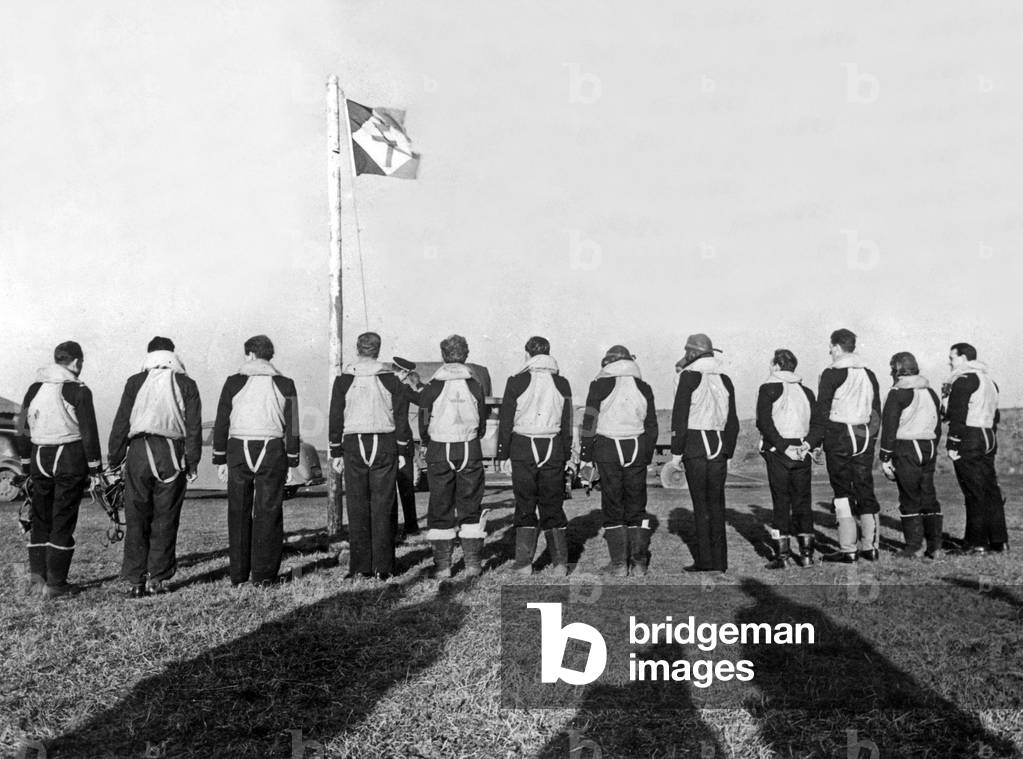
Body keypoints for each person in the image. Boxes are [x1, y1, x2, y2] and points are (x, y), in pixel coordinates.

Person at [108, 337, 202, 597]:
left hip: (138, 452)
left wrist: (114, 459)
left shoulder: (134, 382)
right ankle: (157, 579)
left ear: (149, 355)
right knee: (166, 516)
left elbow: (121, 422)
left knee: (137, 515)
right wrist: (192, 462)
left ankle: (135, 581)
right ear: (172, 354)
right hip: (170, 453)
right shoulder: (187, 383)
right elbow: (193, 427)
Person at [328, 333, 420, 579]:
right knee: (384, 504)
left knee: (357, 506)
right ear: (378, 351)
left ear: (357, 349)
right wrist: (402, 450)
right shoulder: (391, 380)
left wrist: (335, 450)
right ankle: (384, 567)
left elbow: (335, 415)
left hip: (353, 444)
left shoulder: (344, 379)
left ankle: (361, 567)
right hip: (385, 443)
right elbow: (401, 416)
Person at [16, 341, 102, 598]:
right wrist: (95, 468)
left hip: (39, 455)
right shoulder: (78, 390)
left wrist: (24, 463)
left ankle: (37, 582)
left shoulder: (34, 389)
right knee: (63, 518)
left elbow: (21, 426)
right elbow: (89, 432)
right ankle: (56, 584)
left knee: (40, 518)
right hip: (68, 456)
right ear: (76, 362)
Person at [212, 335, 300, 586]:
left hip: (238, 448)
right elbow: (292, 426)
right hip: (272, 450)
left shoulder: (233, 382)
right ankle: (264, 576)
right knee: (269, 512)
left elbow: (222, 421)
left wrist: (219, 458)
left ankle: (238, 576)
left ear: (250, 355)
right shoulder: (286, 383)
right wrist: (292, 460)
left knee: (237, 512)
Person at [496, 336, 574, 576]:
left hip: (523, 445)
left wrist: (503, 452)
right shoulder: (562, 383)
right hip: (553, 446)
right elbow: (567, 421)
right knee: (553, 504)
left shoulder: (515, 381)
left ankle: (524, 564)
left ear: (528, 355)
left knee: (525, 503)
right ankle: (560, 564)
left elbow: (506, 420)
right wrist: (566, 452)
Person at [579, 345, 657, 576]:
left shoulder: (599, 384)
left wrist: (585, 456)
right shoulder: (644, 387)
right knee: (637, 505)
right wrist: (646, 454)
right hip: (636, 446)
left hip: (608, 447)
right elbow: (651, 425)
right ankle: (640, 563)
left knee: (613, 505)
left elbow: (590, 421)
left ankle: (619, 564)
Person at [418, 335, 489, 578]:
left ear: (443, 355)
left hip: (439, 447)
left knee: (440, 504)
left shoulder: (433, 385)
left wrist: (426, 440)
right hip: (469, 447)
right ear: (466, 355)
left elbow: (423, 415)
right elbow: (482, 416)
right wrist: (475, 434)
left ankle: (443, 567)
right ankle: (472, 565)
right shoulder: (475, 384)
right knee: (470, 503)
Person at [668, 334, 739, 573]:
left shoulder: (687, 377)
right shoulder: (725, 379)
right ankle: (721, 562)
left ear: (691, 353)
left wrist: (676, 452)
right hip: (719, 444)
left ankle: (706, 561)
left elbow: (680, 416)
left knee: (701, 505)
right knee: (717, 504)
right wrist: (727, 451)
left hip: (695, 444)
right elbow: (733, 421)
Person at [813, 328, 882, 563]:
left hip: (839, 434)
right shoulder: (869, 374)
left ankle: (848, 549)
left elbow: (821, 411)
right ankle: (870, 547)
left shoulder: (831, 373)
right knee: (865, 486)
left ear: (837, 347)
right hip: (863, 435)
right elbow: (876, 411)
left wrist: (815, 442)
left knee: (842, 491)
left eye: (831, 347)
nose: (829, 351)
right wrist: (871, 438)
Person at [754, 348, 818, 569]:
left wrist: (783, 446)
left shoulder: (768, 388)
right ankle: (807, 555)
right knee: (803, 502)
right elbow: (819, 425)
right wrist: (808, 444)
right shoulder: (807, 392)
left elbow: (763, 423)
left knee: (781, 501)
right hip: (802, 450)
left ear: (776, 365)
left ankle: (783, 557)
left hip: (779, 452)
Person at [943, 343, 1008, 554]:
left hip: (970, 437)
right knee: (990, 490)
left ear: (963, 358)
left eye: (952, 357)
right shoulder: (990, 382)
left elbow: (957, 416)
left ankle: (976, 543)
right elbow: (995, 415)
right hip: (988, 436)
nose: (950, 361)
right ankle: (999, 540)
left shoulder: (963, 380)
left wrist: (952, 442)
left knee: (973, 492)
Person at [878, 352, 942, 559]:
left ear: (896, 369)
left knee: (909, 497)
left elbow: (889, 428)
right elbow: (938, 424)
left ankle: (914, 547)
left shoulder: (897, 393)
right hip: (929, 445)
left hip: (907, 447)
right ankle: (935, 546)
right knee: (929, 496)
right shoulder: (930, 392)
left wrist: (885, 456)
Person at [389, 357, 423, 541]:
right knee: (406, 487)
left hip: (385, 443)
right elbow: (423, 400)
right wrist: (419, 384)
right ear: (404, 373)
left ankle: (390, 528)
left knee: (387, 489)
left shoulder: (382, 385)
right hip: (402, 442)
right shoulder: (403, 388)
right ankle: (411, 527)